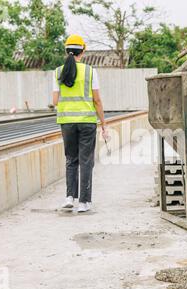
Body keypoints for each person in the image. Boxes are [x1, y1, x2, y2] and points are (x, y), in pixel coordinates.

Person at [53, 34, 108, 212]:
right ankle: (84, 202)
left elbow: (55, 101)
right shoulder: (90, 71)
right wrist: (104, 124)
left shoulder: (58, 72)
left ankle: (70, 197)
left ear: (66, 50)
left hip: (67, 122)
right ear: (83, 51)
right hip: (87, 122)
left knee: (71, 160)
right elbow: (97, 100)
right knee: (86, 161)